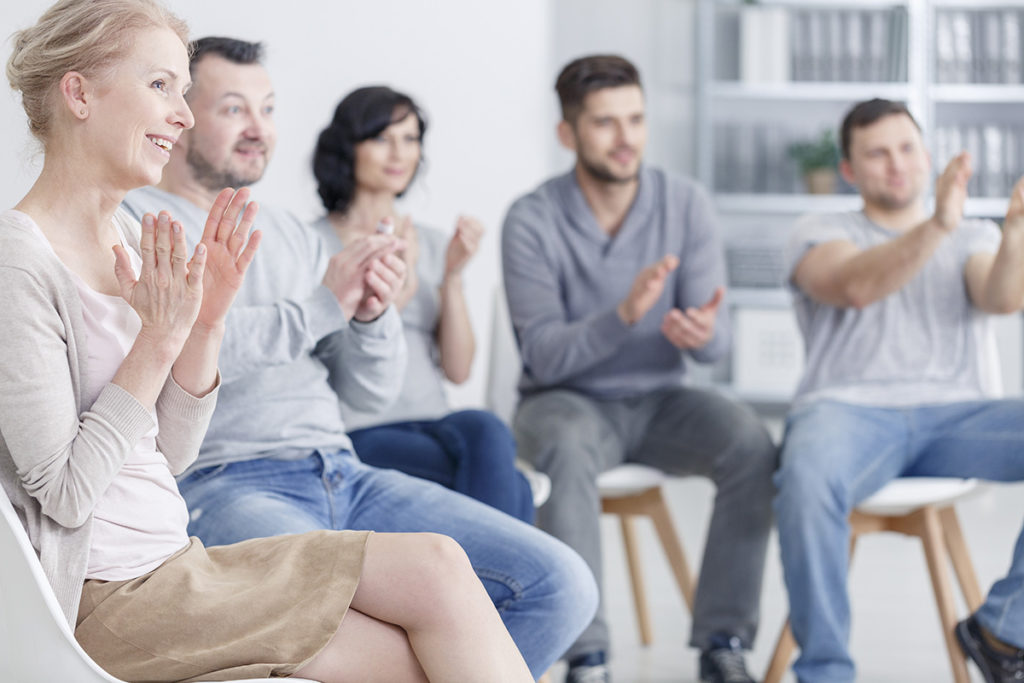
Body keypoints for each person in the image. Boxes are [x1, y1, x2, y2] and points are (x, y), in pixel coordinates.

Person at [0, 1, 536, 682]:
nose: (184, 116)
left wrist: (209, 323)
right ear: (78, 93)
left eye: (183, 92)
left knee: (437, 570)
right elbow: (68, 494)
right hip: (105, 601)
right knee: (427, 647)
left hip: (174, 564)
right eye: (160, 85)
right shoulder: (17, 260)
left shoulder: (128, 241)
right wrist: (159, 342)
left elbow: (168, 455)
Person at [122, 35, 598, 680]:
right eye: (234, 108)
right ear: (179, 112)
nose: (258, 128)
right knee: (364, 635)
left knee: (560, 584)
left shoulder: (286, 231)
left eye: (268, 108)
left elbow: (367, 393)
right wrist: (323, 306)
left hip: (343, 468)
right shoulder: (137, 222)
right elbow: (182, 345)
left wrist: (370, 315)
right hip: (226, 481)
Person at [502, 54, 777, 683]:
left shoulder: (686, 203)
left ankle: (723, 640)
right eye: (605, 123)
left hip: (661, 400)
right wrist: (623, 314)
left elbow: (716, 346)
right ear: (568, 134)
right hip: (563, 401)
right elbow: (542, 354)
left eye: (635, 119)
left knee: (750, 443)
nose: (626, 138)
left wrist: (702, 335)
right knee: (567, 448)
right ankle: (586, 654)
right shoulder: (532, 219)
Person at [775, 97, 1024, 683]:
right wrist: (936, 224)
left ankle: (1002, 629)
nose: (896, 164)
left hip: (956, 413)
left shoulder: (969, 234)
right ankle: (825, 671)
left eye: (906, 148)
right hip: (845, 411)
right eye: (877, 153)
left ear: (927, 154)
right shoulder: (821, 229)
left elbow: (1001, 298)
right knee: (806, 480)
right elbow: (854, 285)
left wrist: (1014, 235)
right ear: (848, 170)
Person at [310, 85, 541, 523]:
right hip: (359, 428)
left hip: (436, 421)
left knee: (487, 427)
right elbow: (331, 363)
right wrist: (392, 300)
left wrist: (452, 276)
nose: (399, 153)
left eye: (410, 139)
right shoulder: (314, 245)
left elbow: (458, 370)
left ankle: (469, 586)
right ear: (348, 147)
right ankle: (489, 586)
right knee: (516, 488)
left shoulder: (432, 244)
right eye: (382, 138)